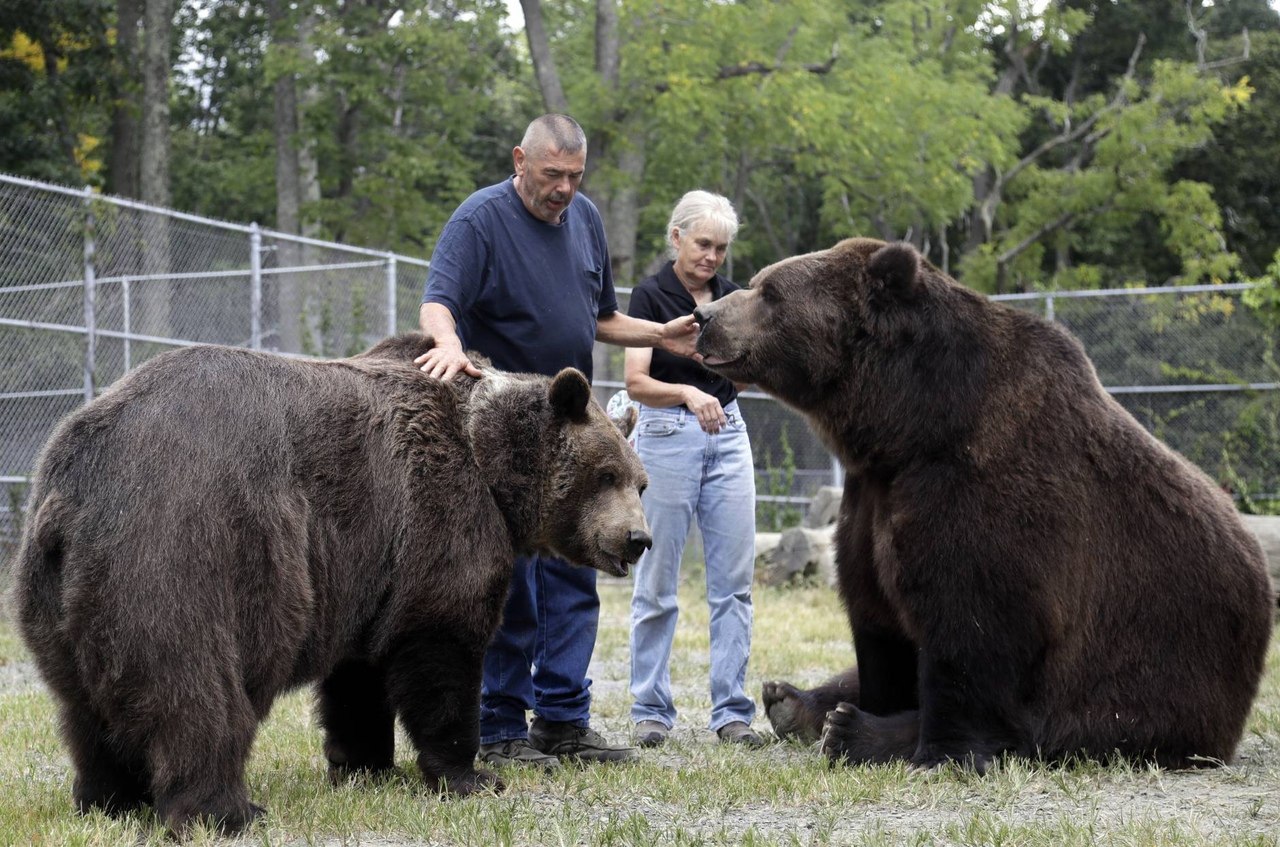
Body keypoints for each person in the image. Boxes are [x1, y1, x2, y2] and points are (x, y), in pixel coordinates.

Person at [414, 114, 700, 769]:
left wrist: (660, 334)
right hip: (504, 438)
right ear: (521, 160)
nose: (564, 189)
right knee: (511, 585)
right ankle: (501, 725)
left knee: (577, 574)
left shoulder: (586, 220)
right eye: (552, 176)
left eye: (575, 177)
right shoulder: (479, 220)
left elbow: (599, 318)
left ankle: (564, 721)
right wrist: (449, 344)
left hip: (573, 434)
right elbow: (438, 303)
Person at [624, 190, 763, 748]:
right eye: (703, 243)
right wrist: (685, 391)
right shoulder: (650, 296)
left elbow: (748, 373)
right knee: (657, 583)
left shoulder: (732, 299)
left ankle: (732, 712)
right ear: (676, 236)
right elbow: (636, 382)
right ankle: (650, 710)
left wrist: (726, 375)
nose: (712, 256)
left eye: (721, 248)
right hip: (666, 437)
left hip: (728, 433)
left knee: (734, 586)